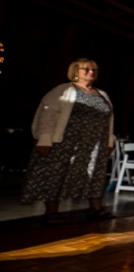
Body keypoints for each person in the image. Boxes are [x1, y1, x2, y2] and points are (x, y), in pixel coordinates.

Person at [23, 58, 115, 224]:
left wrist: (109, 141)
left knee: (95, 175)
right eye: (86, 69)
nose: (91, 72)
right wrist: (45, 138)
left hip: (94, 144)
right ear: (75, 71)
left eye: (94, 70)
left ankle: (95, 209)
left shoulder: (102, 95)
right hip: (66, 141)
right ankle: (51, 212)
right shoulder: (64, 89)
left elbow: (109, 120)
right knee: (56, 173)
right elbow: (47, 114)